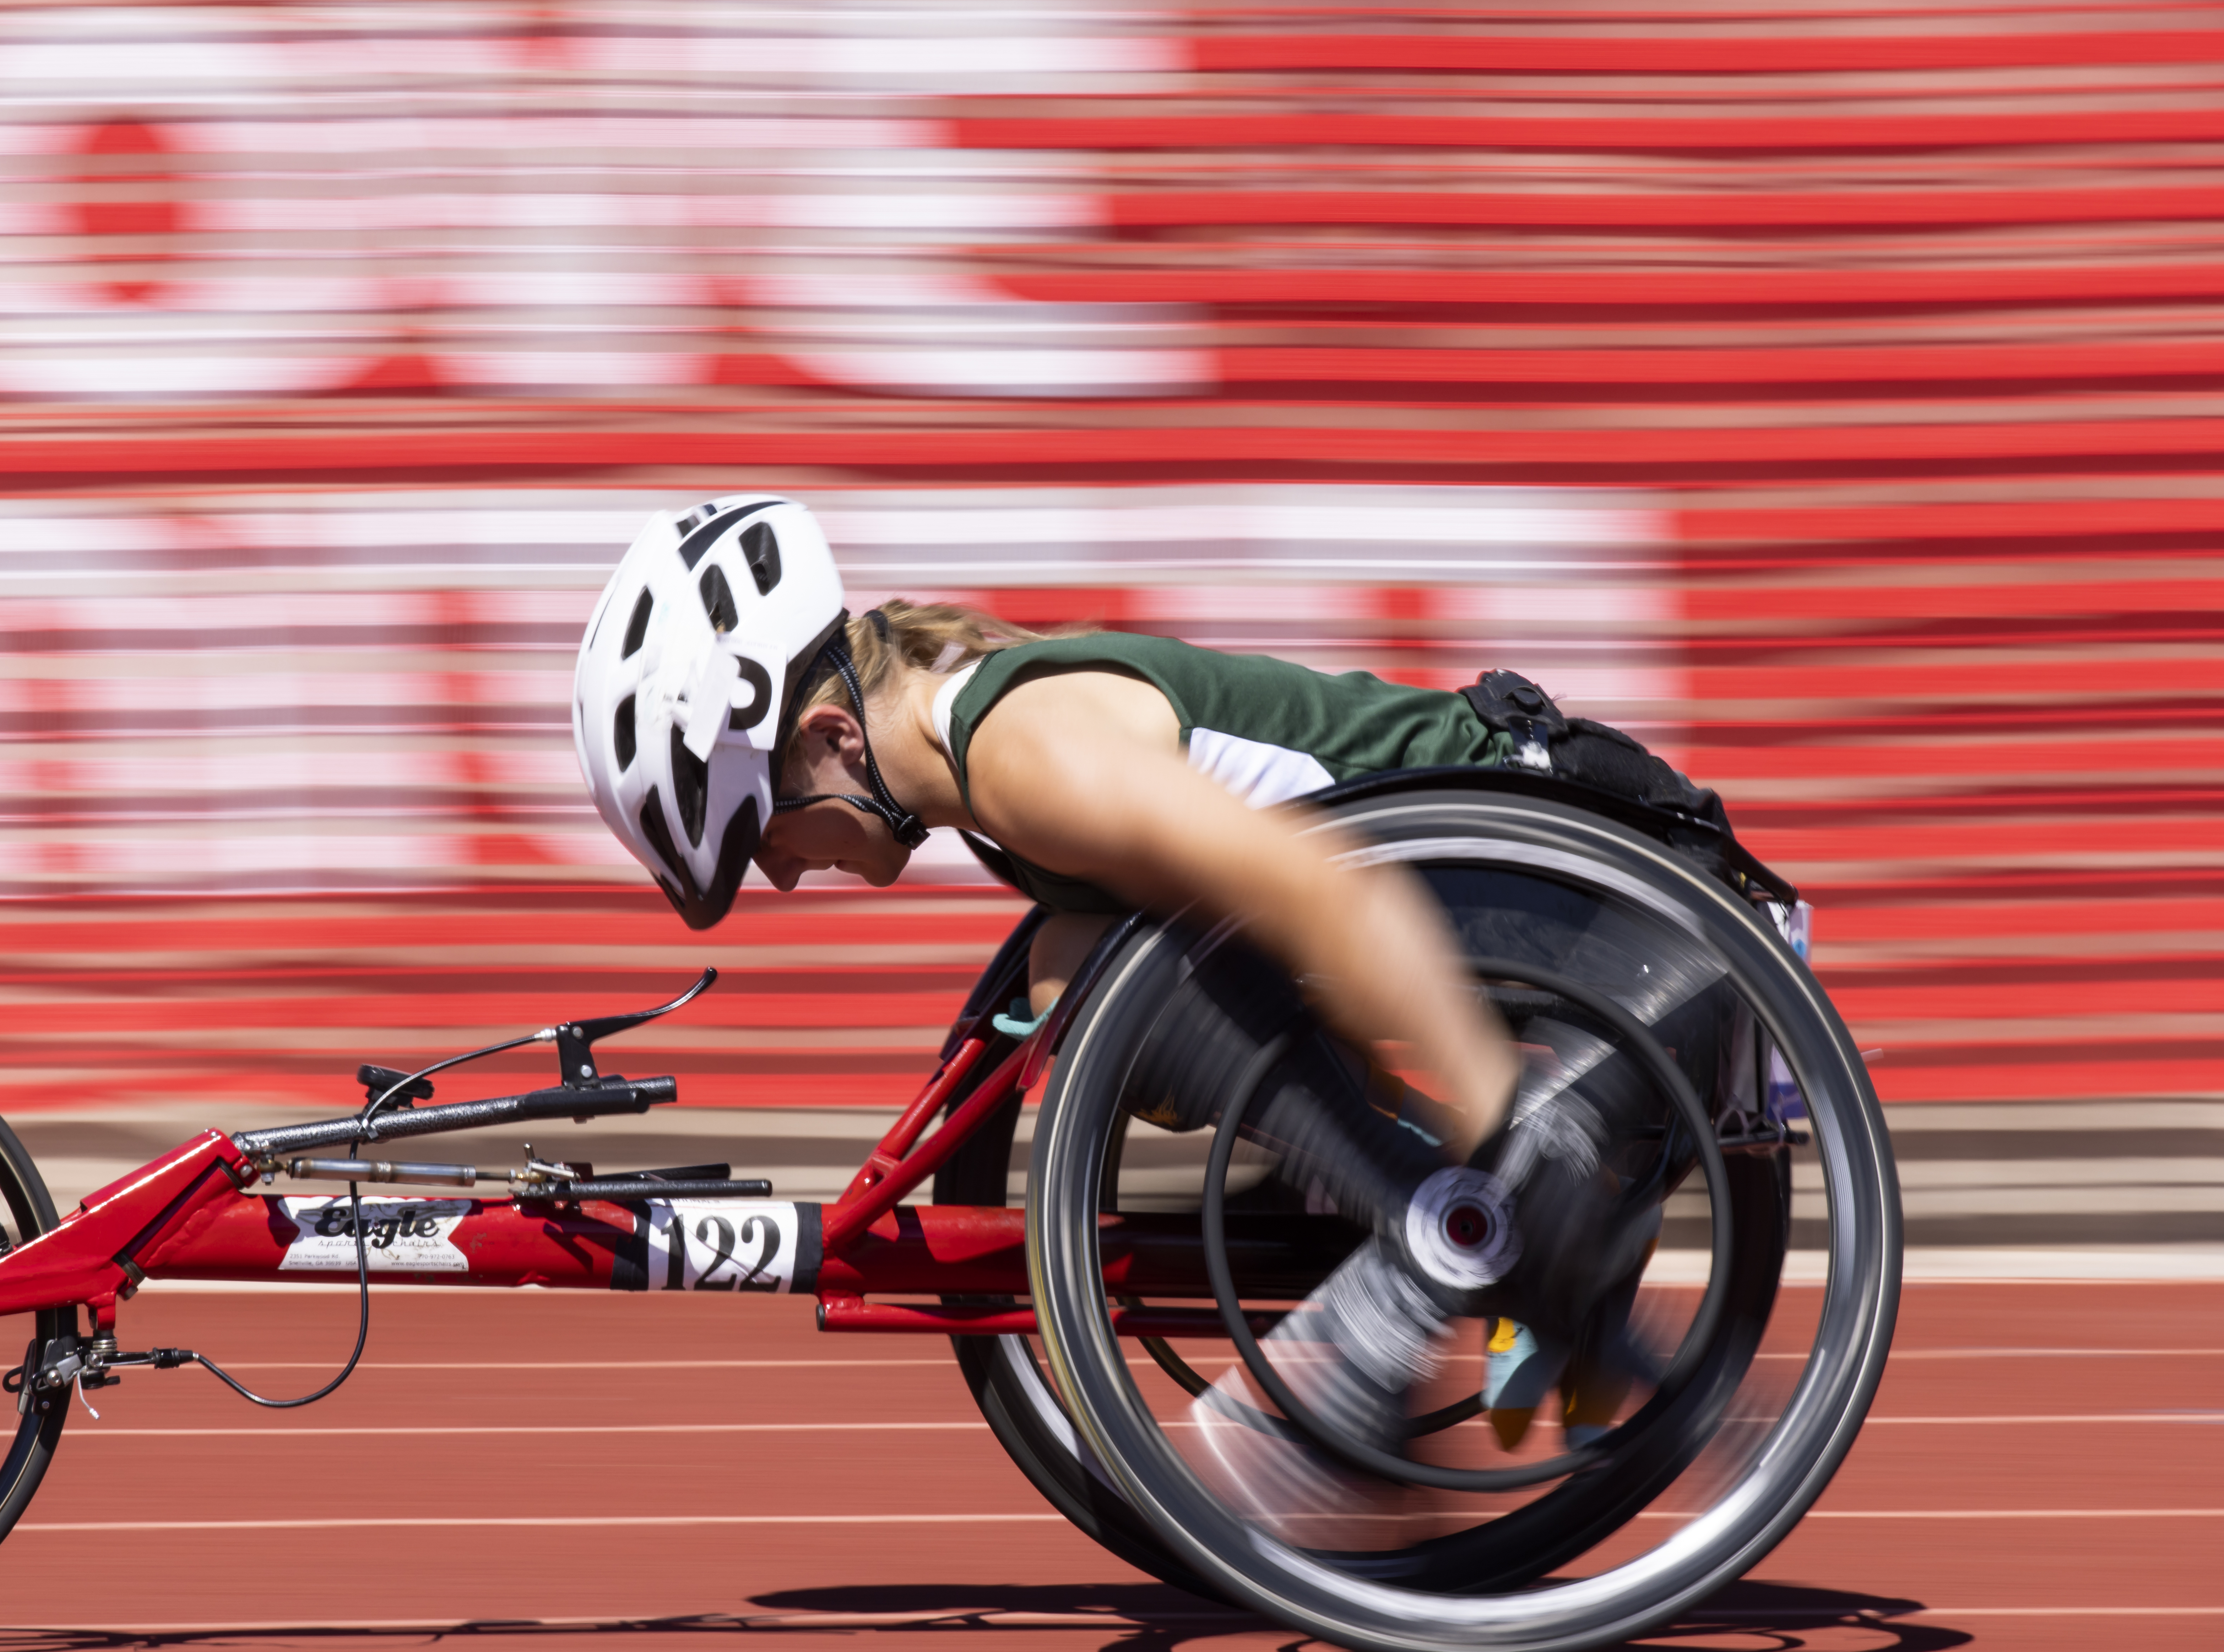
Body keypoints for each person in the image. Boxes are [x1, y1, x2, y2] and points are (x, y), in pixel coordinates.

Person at [571, 494, 1723, 1489]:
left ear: (830, 736)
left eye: (758, 834)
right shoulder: (999, 786)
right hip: (1545, 921)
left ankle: (1466, 1217)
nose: (773, 872)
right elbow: (1308, 964)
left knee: (1115, 979)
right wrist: (1397, 1154)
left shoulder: (1030, 755)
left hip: (1650, 917)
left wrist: (1498, 1162)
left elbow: (1330, 897)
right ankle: (1435, 1211)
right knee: (1079, 967)